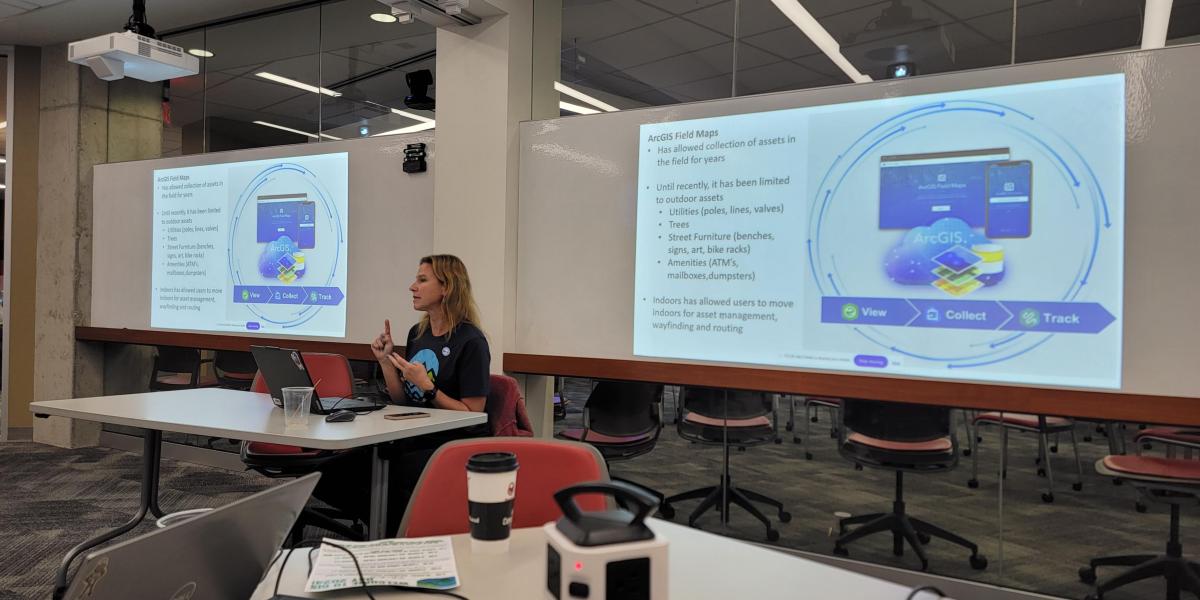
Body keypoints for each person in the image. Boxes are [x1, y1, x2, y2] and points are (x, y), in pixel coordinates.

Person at [313, 254, 491, 535]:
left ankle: (397, 537)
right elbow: (403, 401)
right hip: (414, 434)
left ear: (447, 288)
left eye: (422, 280)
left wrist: (429, 388)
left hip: (451, 443)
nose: (412, 287)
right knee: (327, 473)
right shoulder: (418, 333)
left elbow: (473, 416)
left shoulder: (471, 342)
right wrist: (385, 361)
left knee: (390, 476)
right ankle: (387, 530)